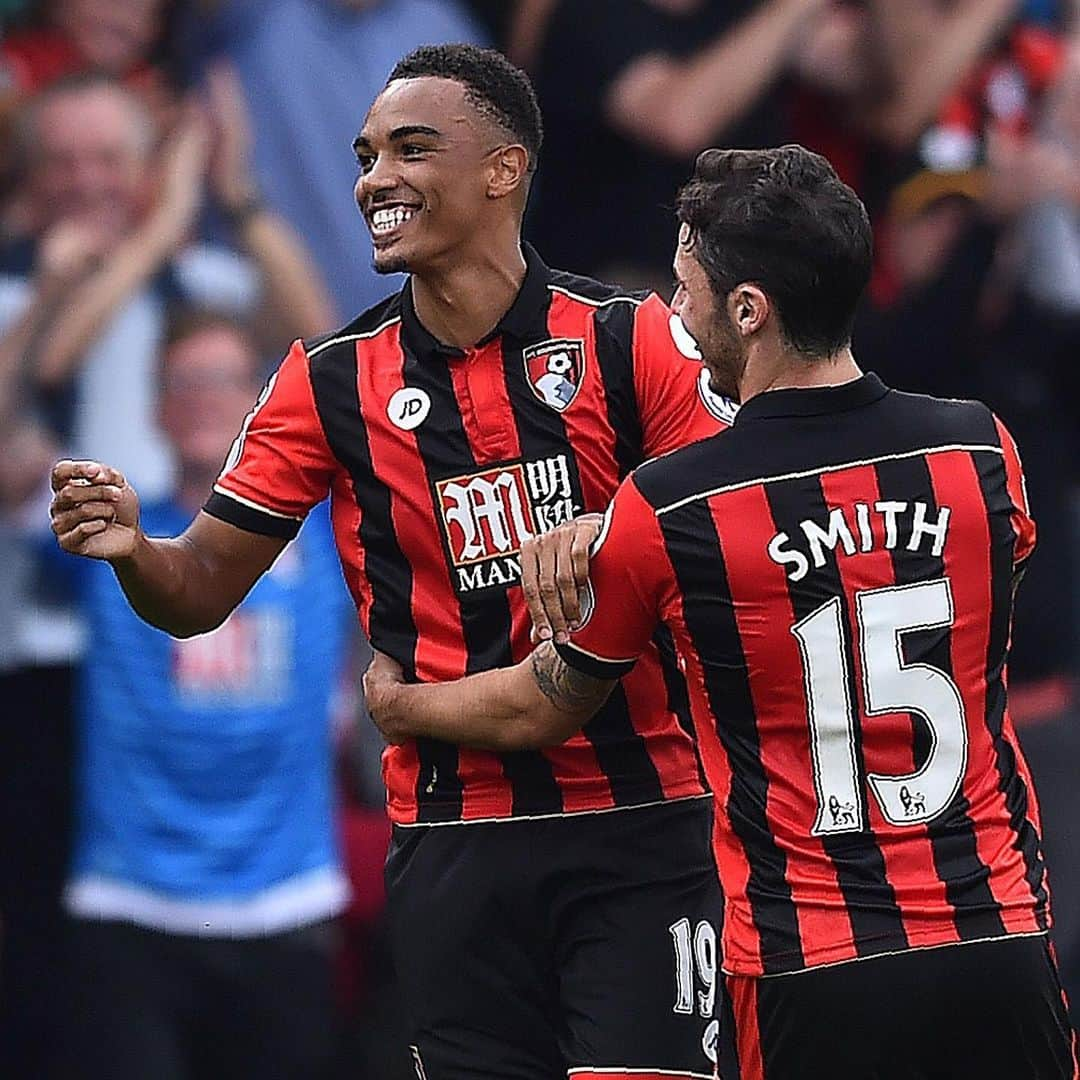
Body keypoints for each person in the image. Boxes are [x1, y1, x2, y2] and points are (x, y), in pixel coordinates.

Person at [49, 44, 733, 1080]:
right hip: (453, 840)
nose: (375, 178)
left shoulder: (629, 341)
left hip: (641, 830)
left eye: (413, 149)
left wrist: (607, 533)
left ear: (504, 169)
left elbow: (736, 537)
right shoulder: (325, 381)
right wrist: (136, 550)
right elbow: (195, 596)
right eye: (368, 155)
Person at [364, 145, 1079, 1079]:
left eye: (686, 287)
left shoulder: (670, 506)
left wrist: (401, 704)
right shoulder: (981, 453)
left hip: (805, 962)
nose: (673, 314)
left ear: (750, 309)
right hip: (999, 943)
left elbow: (547, 702)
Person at [60, 309, 353, 1080]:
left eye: (222, 381)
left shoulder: (324, 534)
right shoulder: (99, 533)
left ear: (259, 404)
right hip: (130, 902)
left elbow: (344, 352)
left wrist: (246, 210)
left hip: (284, 901)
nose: (201, 399)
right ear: (154, 407)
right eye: (182, 383)